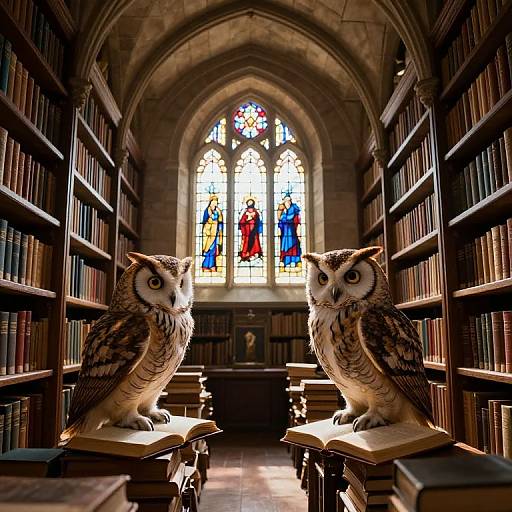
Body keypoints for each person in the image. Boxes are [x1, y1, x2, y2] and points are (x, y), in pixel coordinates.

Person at [277, 195, 301, 271]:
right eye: (285, 201)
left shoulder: (293, 208)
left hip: (292, 231)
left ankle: (295, 261)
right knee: (285, 247)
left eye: (288, 201)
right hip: (285, 232)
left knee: (293, 245)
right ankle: (285, 262)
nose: (287, 202)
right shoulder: (284, 210)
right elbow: (281, 220)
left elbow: (291, 218)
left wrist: (284, 217)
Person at [201, 195, 223, 272]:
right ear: (210, 202)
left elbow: (220, 222)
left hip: (215, 232)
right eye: (213, 202)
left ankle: (212, 265)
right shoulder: (207, 210)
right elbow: (204, 222)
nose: (214, 204)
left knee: (214, 250)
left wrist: (219, 229)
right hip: (209, 233)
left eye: (216, 202)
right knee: (209, 249)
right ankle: (206, 265)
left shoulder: (218, 211)